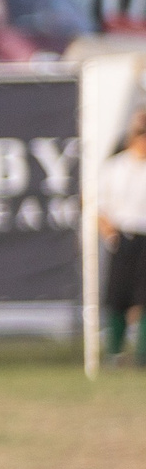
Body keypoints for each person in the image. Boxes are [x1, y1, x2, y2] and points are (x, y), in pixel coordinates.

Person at [100, 109, 146, 363]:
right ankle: (114, 351)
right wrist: (108, 231)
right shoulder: (115, 167)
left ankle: (142, 354)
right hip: (123, 236)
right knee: (117, 295)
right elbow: (99, 203)